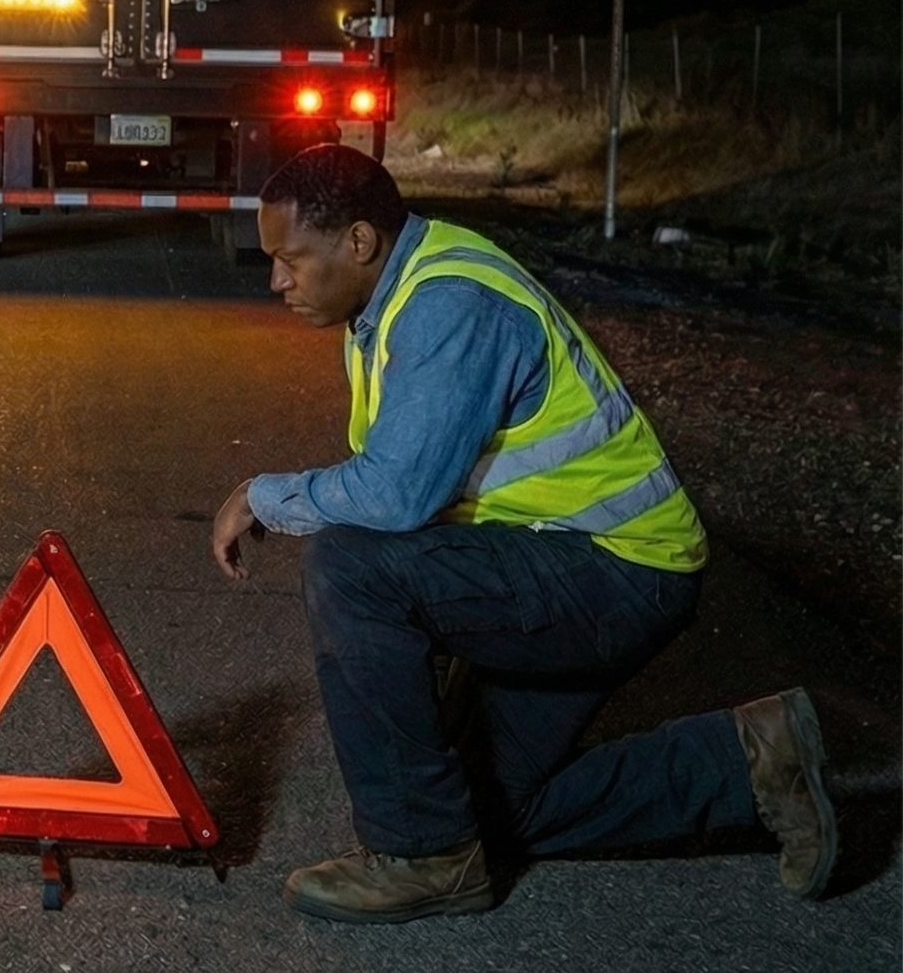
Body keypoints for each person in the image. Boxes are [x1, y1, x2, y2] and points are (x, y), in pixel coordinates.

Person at [209, 143, 836, 923]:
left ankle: (422, 857)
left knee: (350, 566)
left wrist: (263, 496)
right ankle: (753, 761)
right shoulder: (392, 298)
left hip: (616, 573)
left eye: (290, 259)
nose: (276, 281)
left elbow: (397, 494)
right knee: (487, 808)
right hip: (568, 559)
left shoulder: (447, 304)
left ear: (359, 242)